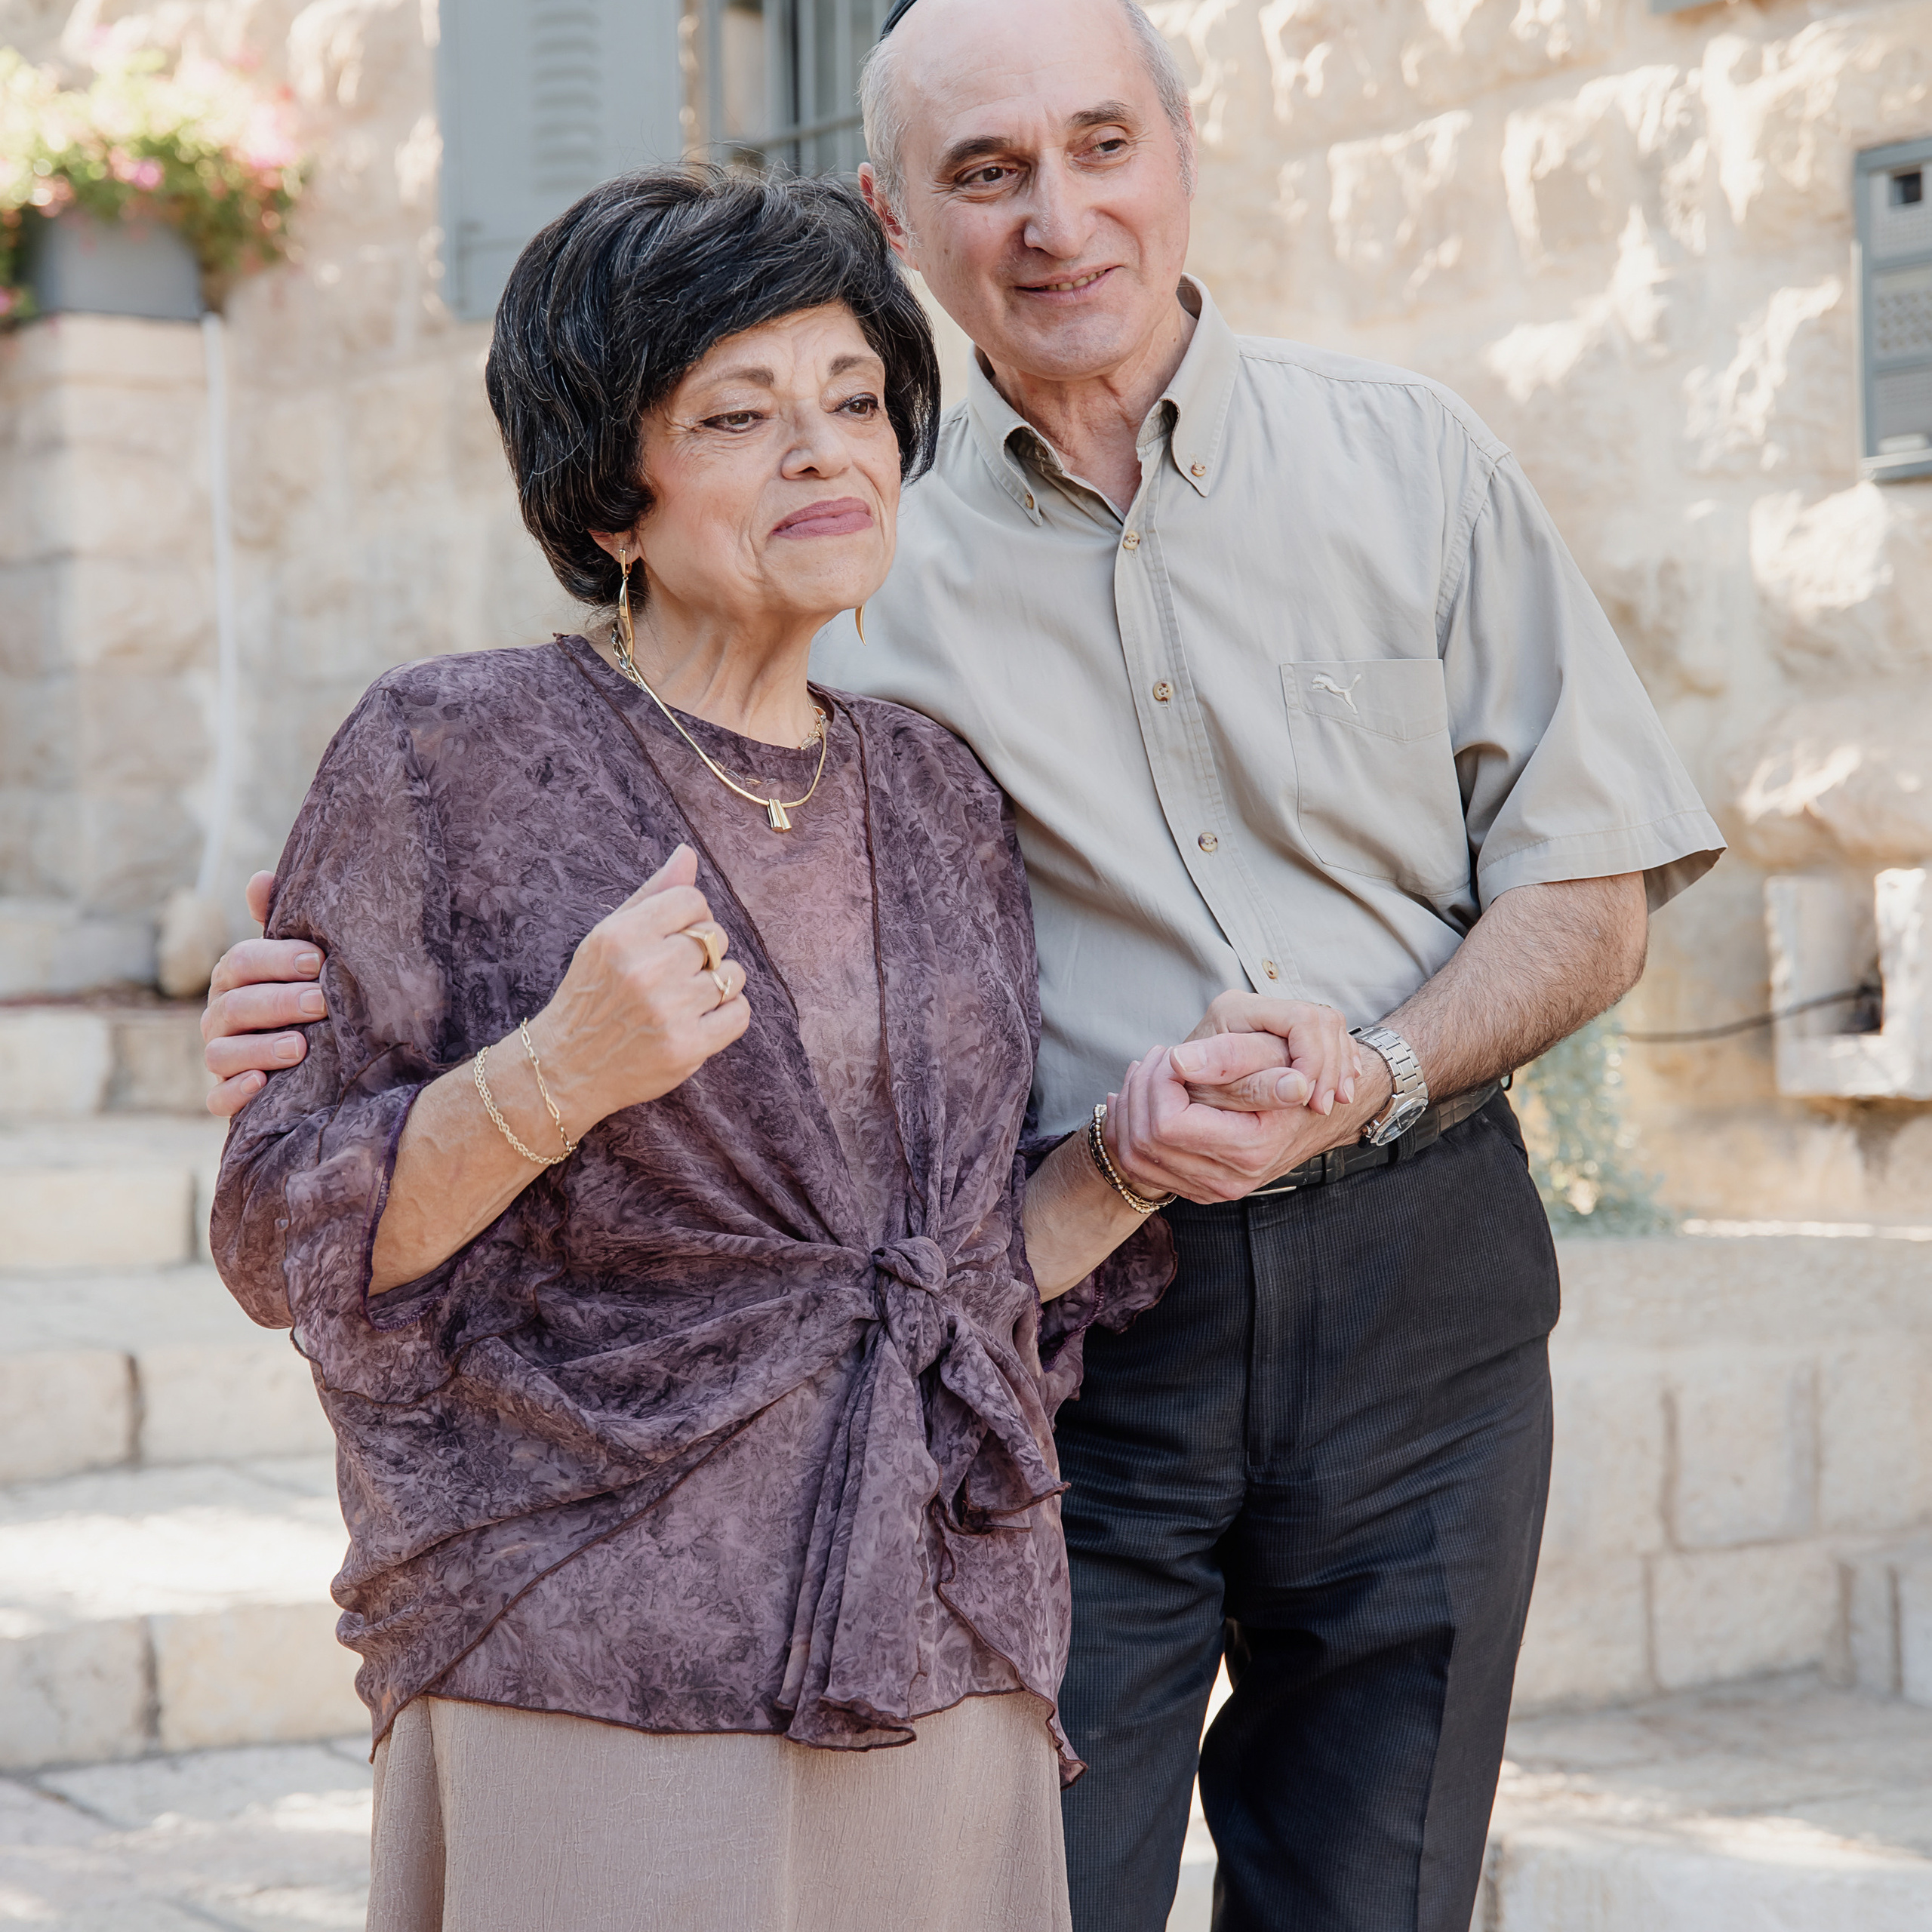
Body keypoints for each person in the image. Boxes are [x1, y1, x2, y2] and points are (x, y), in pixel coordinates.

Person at [205, 2, 1726, 1927]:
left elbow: (1586, 888)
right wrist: (358, 1017)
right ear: (894, 208)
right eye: (984, 171)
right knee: (1049, 1881)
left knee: (1381, 1879)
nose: (1058, 216)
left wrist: (1312, 1087)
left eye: (1101, 144)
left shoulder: (1386, 469)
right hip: (1017, 1385)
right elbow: (540, 809)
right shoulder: (810, 567)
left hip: (1385, 1277)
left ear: (1182, 144)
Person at [207, 167, 1361, 1932]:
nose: (823, 454)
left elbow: (950, 1275)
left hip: (925, 1611)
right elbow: (288, 1229)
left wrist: (1130, 1156)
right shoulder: (449, 751)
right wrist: (554, 1070)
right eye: (737, 415)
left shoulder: (932, 789)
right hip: (589, 1628)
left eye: (852, 404)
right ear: (611, 493)